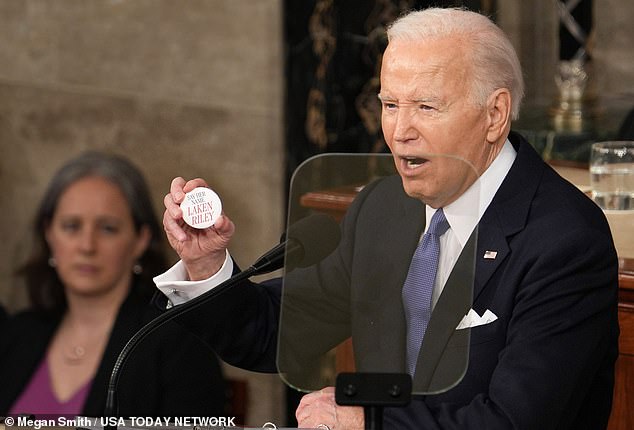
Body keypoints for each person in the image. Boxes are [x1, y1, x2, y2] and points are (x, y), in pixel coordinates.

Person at [156, 7, 619, 430]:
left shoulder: (564, 240)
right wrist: (205, 264)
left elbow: (515, 421)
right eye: (390, 104)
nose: (399, 132)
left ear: (494, 114)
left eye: (425, 107)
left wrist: (366, 423)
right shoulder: (382, 208)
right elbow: (275, 332)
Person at [0, 151, 227, 418]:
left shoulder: (179, 345)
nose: (87, 246)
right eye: (72, 226)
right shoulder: (14, 335)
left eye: (107, 228)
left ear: (140, 240)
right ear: (49, 234)